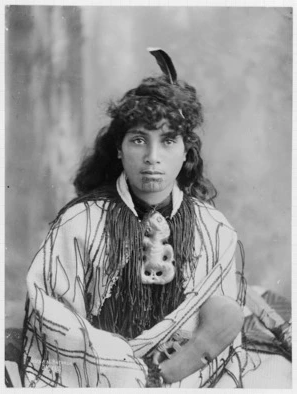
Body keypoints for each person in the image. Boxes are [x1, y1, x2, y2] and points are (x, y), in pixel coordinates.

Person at [18, 49, 289, 388]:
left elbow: (216, 330)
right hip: (102, 370)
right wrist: (125, 366)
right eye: (138, 140)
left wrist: (173, 367)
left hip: (184, 370)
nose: (152, 158)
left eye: (168, 141)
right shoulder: (80, 222)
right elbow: (53, 314)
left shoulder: (212, 228)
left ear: (186, 151)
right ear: (119, 148)